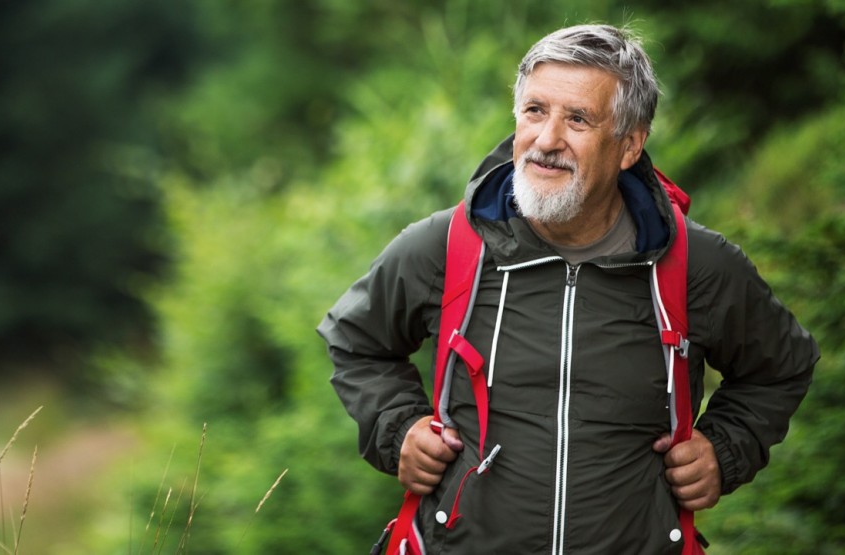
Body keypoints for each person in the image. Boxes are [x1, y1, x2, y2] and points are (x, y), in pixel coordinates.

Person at [318, 24, 819, 553]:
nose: (547, 140)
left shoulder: (696, 265)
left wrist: (725, 449)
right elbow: (355, 341)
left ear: (630, 144)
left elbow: (781, 367)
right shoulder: (445, 246)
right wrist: (399, 430)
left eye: (577, 119)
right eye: (535, 111)